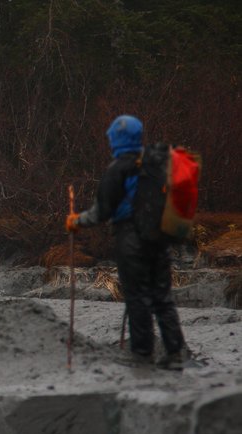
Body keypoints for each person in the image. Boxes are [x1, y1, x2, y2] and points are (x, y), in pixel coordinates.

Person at [65, 115, 187, 370]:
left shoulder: (118, 169)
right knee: (162, 297)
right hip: (159, 239)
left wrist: (77, 221)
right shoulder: (158, 164)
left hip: (131, 240)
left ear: (117, 139)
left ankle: (142, 355)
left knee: (137, 297)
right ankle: (174, 353)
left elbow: (102, 212)